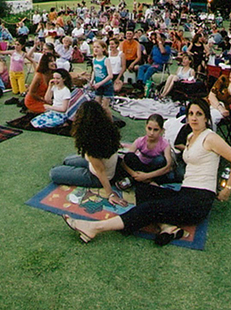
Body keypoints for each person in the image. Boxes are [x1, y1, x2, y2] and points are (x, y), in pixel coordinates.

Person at [62, 98, 231, 245]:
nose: (194, 117)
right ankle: (167, 227)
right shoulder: (190, 136)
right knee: (144, 189)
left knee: (150, 208)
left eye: (199, 114)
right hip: (186, 192)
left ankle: (94, 227)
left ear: (207, 117)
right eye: (191, 113)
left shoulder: (210, 137)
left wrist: (227, 189)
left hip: (199, 201)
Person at [50, 100, 128, 207]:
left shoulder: (90, 143)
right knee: (67, 160)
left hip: (98, 176)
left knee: (54, 173)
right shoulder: (108, 127)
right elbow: (107, 112)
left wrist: (110, 194)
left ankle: (75, 172)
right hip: (102, 165)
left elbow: (100, 171)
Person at [121, 114, 174, 187]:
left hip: (153, 171)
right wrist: (134, 174)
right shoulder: (140, 141)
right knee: (129, 156)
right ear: (146, 127)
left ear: (161, 130)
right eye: (149, 128)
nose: (151, 133)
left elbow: (168, 167)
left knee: (161, 161)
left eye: (155, 130)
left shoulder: (165, 144)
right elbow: (124, 161)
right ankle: (143, 181)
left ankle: (138, 181)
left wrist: (146, 176)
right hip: (140, 168)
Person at [91, 40, 114, 115]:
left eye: (98, 47)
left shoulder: (106, 60)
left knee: (105, 107)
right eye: (94, 47)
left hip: (107, 86)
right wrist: (92, 81)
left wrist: (100, 83)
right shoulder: (94, 60)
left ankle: (110, 123)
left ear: (103, 49)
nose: (95, 49)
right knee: (96, 105)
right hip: (98, 86)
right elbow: (94, 71)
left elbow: (110, 75)